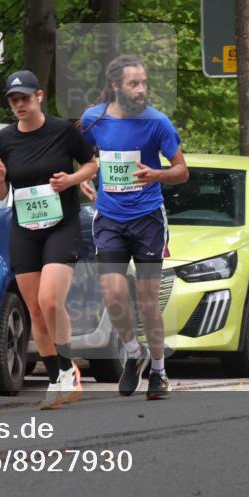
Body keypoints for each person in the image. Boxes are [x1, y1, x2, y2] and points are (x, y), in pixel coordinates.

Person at [79, 54, 188, 400]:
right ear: (115, 86)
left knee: (146, 300)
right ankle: (132, 351)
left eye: (144, 83)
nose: (141, 90)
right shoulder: (92, 119)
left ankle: (158, 370)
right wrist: (85, 176)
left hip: (148, 219)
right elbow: (84, 156)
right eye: (134, 84)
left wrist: (156, 174)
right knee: (112, 295)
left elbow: (182, 170)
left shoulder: (158, 123)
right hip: (110, 217)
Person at [0, 70, 98, 408]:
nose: (19, 104)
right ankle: (56, 377)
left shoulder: (62, 131)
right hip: (25, 228)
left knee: (51, 301)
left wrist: (72, 179)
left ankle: (68, 368)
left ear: (39, 96)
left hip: (61, 225)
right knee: (35, 308)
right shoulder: (4, 138)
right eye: (13, 99)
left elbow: (92, 164)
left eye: (24, 97)